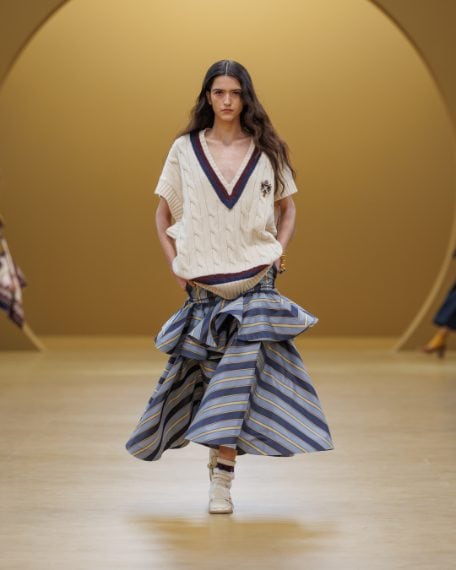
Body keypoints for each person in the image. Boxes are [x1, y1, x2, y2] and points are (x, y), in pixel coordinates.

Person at [125, 59, 334, 514]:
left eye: (234, 93)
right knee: (210, 381)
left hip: (256, 281)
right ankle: (218, 459)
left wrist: (278, 250)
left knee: (237, 382)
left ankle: (222, 479)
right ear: (207, 96)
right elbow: (162, 213)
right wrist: (174, 263)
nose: (226, 101)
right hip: (203, 287)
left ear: (245, 98)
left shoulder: (267, 150)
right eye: (218, 92)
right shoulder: (184, 150)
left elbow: (288, 207)